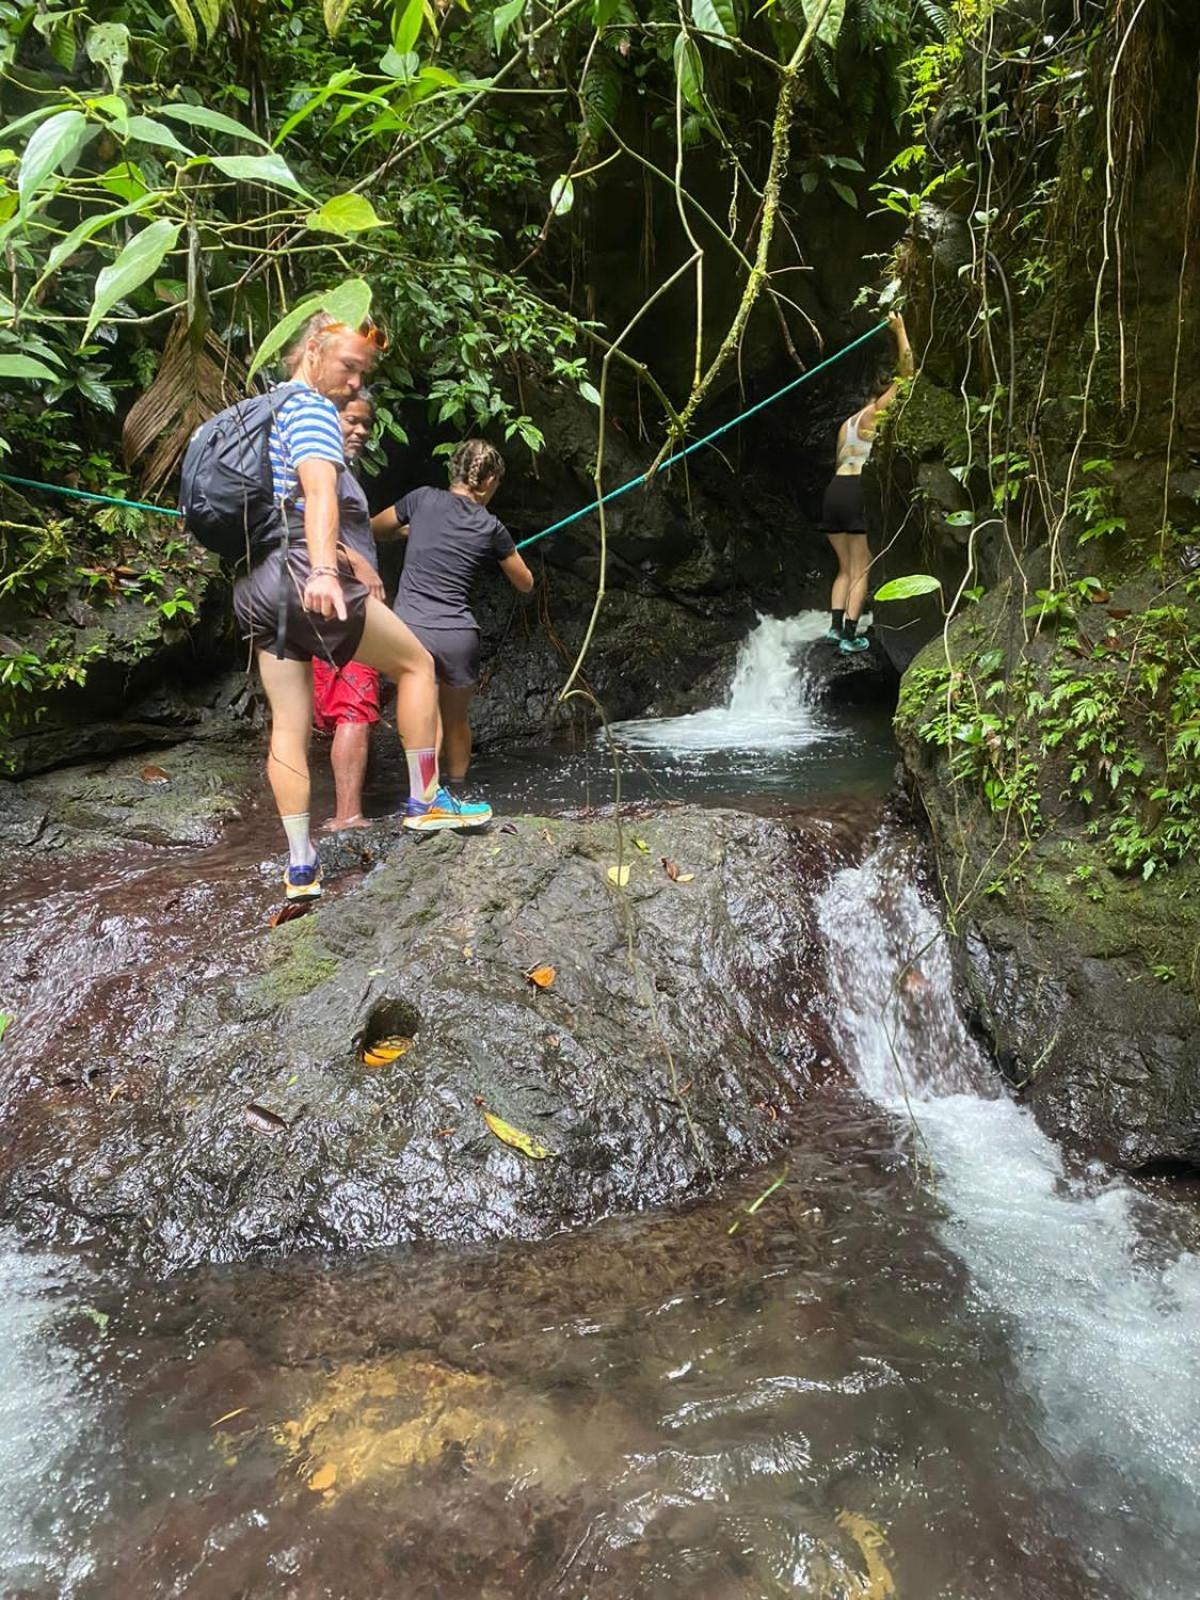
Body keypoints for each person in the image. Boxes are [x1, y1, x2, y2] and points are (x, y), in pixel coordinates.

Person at [233, 312, 492, 902]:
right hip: (305, 570)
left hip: (258, 583)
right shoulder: (309, 409)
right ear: (313, 351)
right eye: (349, 367)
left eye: (363, 373)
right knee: (417, 665)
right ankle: (425, 802)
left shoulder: (264, 410)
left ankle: (301, 867)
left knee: (289, 725)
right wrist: (327, 568)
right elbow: (320, 490)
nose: (354, 383)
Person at [371, 440, 534, 787]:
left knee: (425, 713)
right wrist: (501, 549)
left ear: (453, 470)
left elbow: (374, 528)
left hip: (410, 629)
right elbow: (525, 583)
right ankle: (456, 787)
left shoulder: (421, 499)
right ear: (489, 482)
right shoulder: (491, 526)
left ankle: (426, 794)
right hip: (457, 635)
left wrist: (406, 532)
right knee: (456, 718)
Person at [309, 389, 386, 831]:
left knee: (339, 703)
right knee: (355, 703)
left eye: (365, 424)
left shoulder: (340, 473)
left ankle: (335, 812)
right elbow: (307, 529)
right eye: (350, 421)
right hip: (343, 601)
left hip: (333, 601)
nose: (359, 431)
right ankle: (347, 815)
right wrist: (360, 565)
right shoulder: (323, 470)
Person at [820, 311, 913, 654]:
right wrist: (900, 331)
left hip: (834, 491)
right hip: (855, 488)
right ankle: (849, 635)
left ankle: (833, 627)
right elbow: (908, 374)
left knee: (844, 566)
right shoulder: (875, 412)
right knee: (863, 565)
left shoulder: (846, 424)